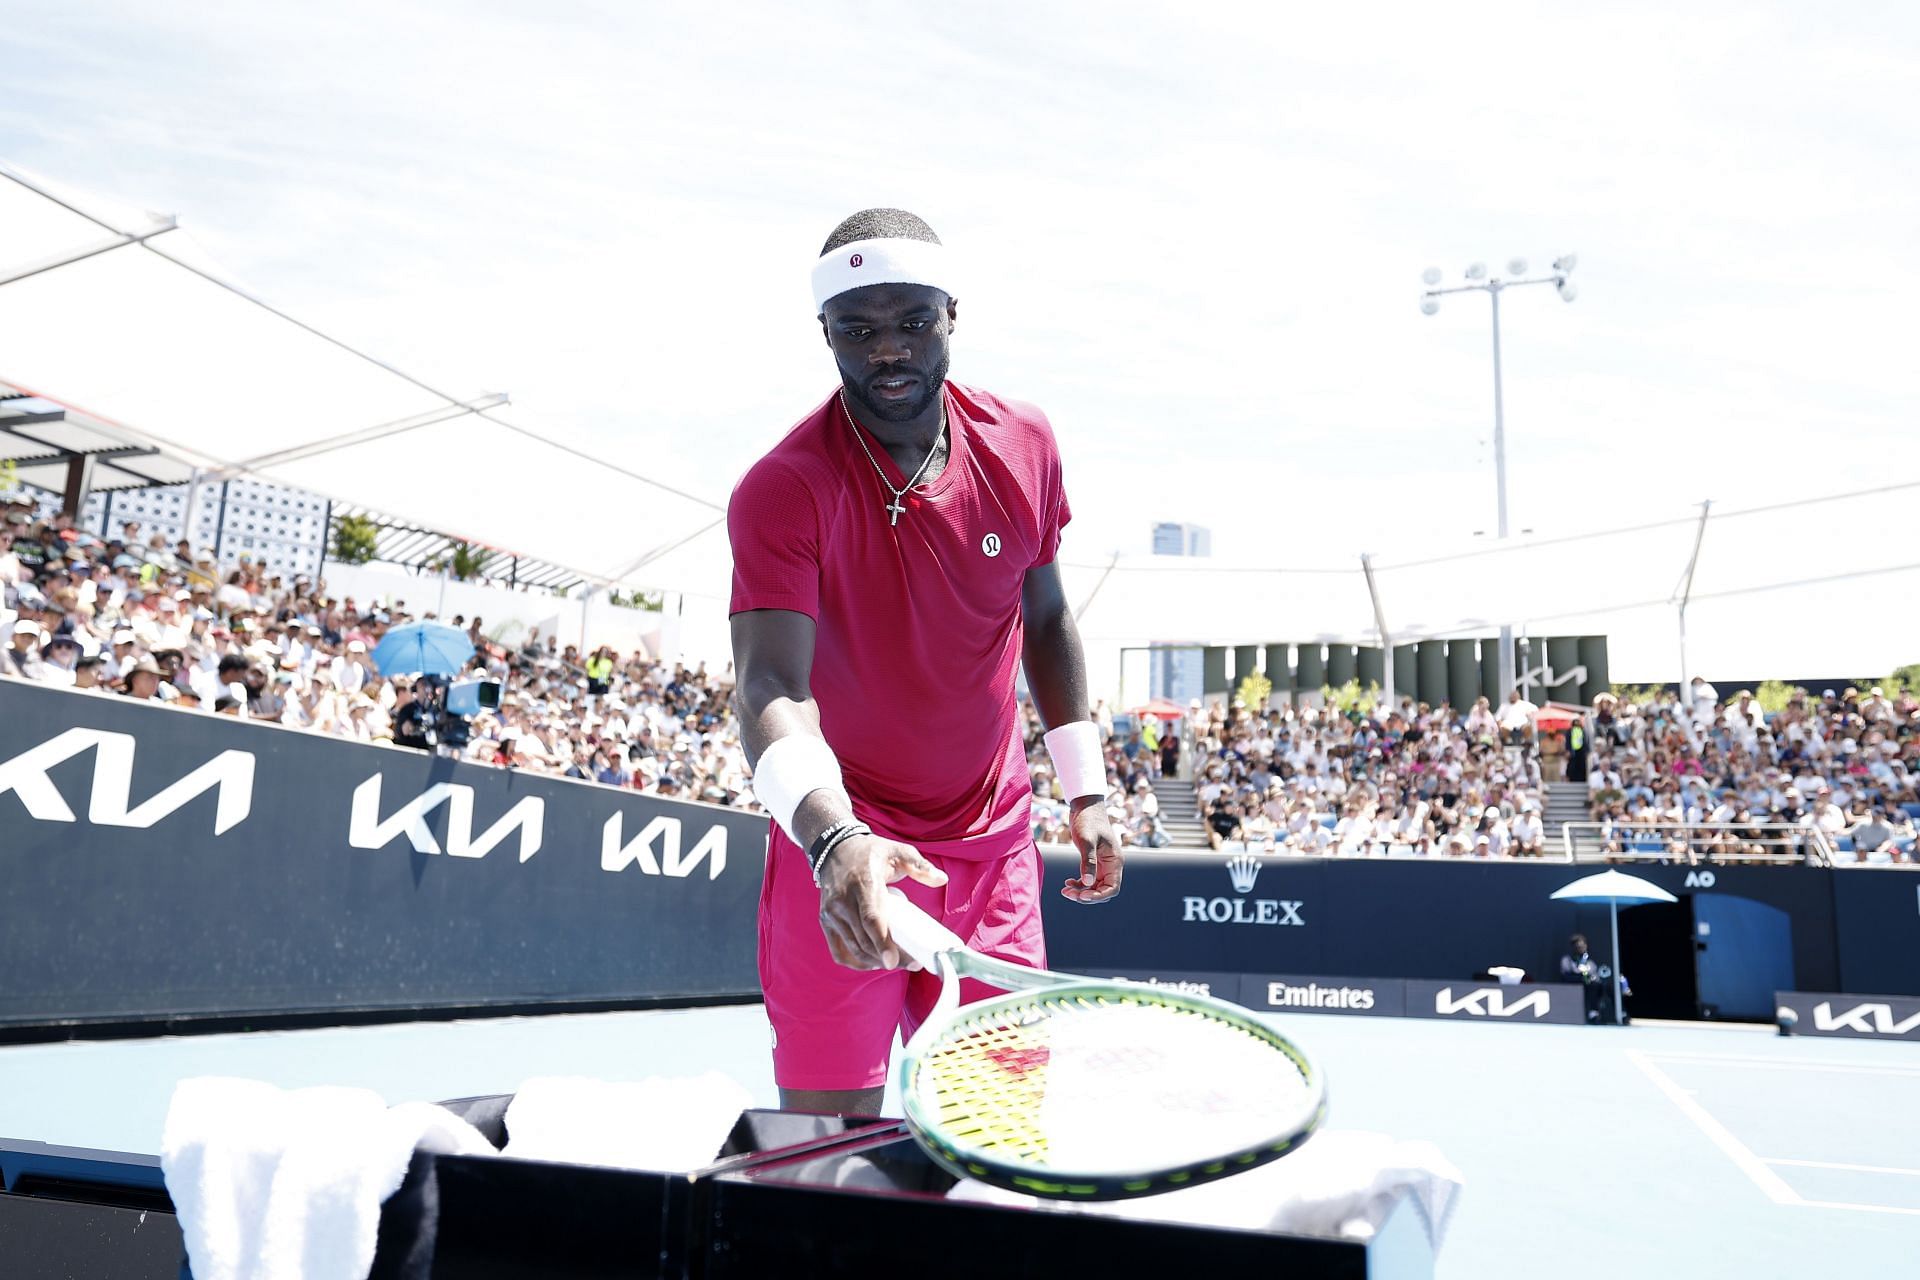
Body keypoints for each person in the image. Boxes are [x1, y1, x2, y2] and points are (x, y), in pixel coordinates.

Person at [729, 208, 1121, 1116]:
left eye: (912, 320)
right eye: (858, 330)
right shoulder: (783, 488)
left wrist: (1087, 788)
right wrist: (836, 841)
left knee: (1000, 1133)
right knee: (822, 1149)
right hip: (842, 847)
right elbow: (769, 687)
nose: (889, 351)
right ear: (824, 334)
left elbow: (1048, 609)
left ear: (952, 314)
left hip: (992, 851)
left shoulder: (1024, 443)